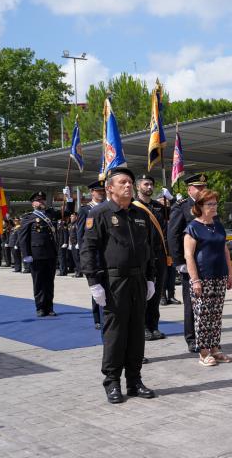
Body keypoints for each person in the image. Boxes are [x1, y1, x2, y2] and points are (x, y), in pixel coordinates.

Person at [80, 166, 157, 404]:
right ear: (109, 188)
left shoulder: (140, 214)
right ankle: (112, 382)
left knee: (136, 333)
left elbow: (148, 249)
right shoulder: (100, 213)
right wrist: (94, 283)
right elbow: (88, 250)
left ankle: (134, 381)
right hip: (114, 282)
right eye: (122, 182)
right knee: (115, 334)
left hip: (138, 280)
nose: (128, 186)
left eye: (130, 182)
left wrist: (151, 278)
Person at [184, 188, 232, 365]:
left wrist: (229, 273)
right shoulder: (193, 227)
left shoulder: (218, 225)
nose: (214, 207)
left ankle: (215, 348)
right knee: (202, 316)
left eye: (215, 203)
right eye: (210, 204)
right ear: (200, 206)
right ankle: (204, 353)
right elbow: (189, 256)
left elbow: (225, 250)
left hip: (219, 275)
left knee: (216, 314)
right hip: (202, 278)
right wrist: (195, 280)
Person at [167, 173, 208, 353]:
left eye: (203, 187)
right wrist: (179, 262)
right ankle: (192, 339)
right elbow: (173, 235)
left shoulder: (208, 205)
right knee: (192, 304)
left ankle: (206, 337)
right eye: (197, 187)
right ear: (189, 189)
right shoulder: (182, 207)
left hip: (208, 263)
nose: (201, 190)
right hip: (190, 264)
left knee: (208, 303)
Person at [17, 188, 74, 317]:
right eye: (38, 200)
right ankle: (40, 308)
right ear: (33, 204)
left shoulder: (51, 214)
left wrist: (68, 198)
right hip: (36, 256)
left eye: (42, 200)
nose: (41, 202)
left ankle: (49, 307)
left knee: (49, 282)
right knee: (38, 282)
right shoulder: (28, 218)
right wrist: (26, 255)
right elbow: (23, 238)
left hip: (51, 254)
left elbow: (68, 212)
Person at [134, 173, 170, 341]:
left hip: (159, 255)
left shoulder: (159, 206)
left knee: (156, 293)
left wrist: (172, 201)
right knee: (143, 295)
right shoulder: (133, 207)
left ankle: (153, 326)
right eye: (145, 184)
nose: (149, 187)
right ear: (138, 186)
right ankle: (142, 328)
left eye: (151, 184)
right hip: (143, 256)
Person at [77, 181, 107, 329]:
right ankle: (98, 318)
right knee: (97, 287)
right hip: (94, 254)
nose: (101, 193)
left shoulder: (108, 207)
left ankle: (106, 316)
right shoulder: (85, 210)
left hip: (107, 254)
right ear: (92, 193)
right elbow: (81, 234)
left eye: (103, 190)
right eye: (98, 191)